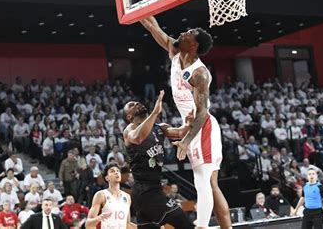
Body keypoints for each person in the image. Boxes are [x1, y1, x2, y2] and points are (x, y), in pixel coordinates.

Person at [140, 16, 231, 229]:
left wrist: (185, 140)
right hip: (190, 126)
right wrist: (134, 5)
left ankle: (202, 226)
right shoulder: (175, 51)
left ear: (194, 44)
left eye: (189, 33)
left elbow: (201, 113)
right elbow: (153, 26)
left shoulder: (200, 74)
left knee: (206, 181)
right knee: (206, 182)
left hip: (204, 126)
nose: (183, 33)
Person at [123, 91, 195, 229]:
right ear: (129, 116)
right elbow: (138, 138)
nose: (137, 103)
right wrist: (155, 112)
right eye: (132, 105)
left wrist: (189, 123)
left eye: (136, 102)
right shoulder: (129, 130)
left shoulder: (159, 127)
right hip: (145, 191)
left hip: (152, 190)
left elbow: (180, 132)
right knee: (184, 222)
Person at [86, 163, 133, 229]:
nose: (116, 173)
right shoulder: (101, 195)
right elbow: (88, 224)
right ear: (107, 178)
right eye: (112, 171)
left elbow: (127, 225)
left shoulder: (127, 197)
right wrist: (99, 218)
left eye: (118, 171)